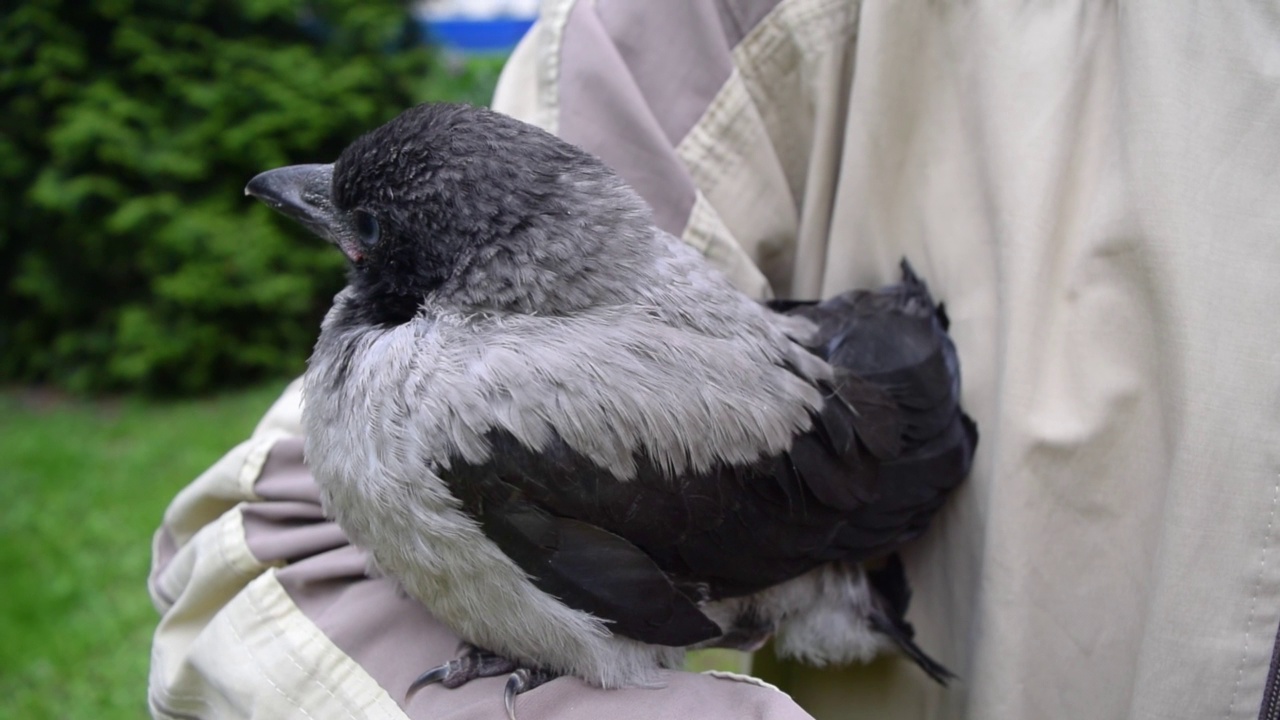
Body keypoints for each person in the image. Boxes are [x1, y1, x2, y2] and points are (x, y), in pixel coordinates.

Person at [148, 1, 1280, 719]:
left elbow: (674, 579)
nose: (300, 198)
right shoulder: (458, 382)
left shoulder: (483, 411)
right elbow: (257, 555)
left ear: (424, 269)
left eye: (368, 229)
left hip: (850, 519)